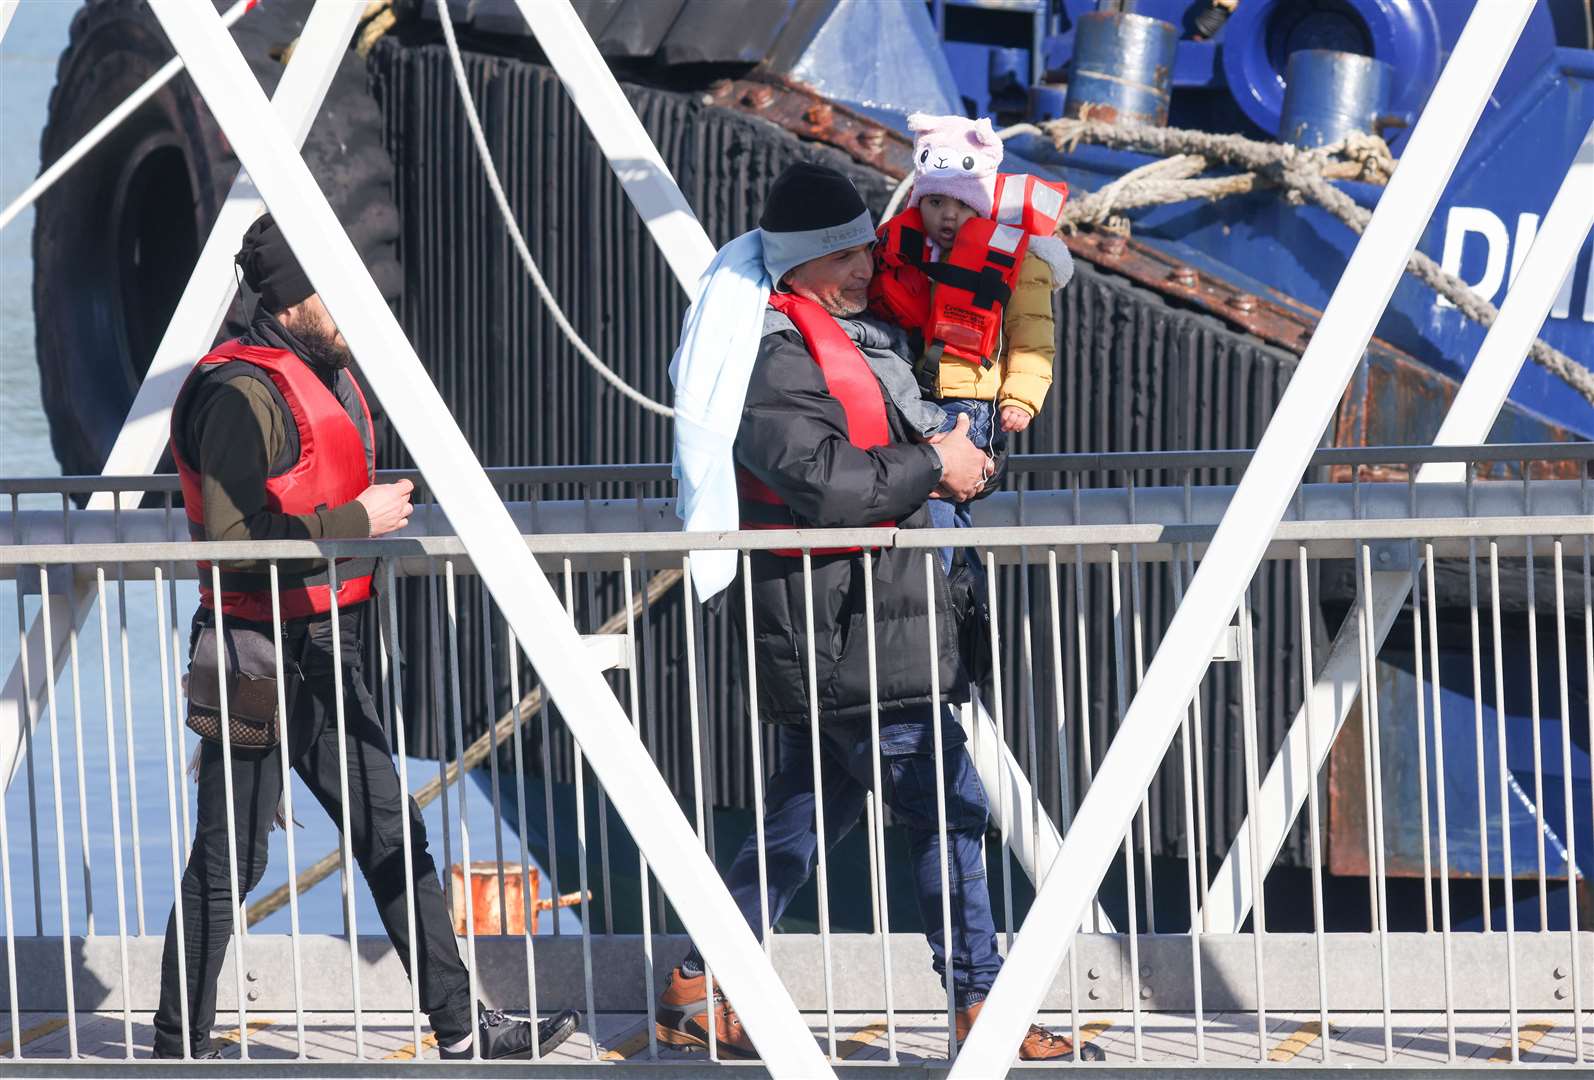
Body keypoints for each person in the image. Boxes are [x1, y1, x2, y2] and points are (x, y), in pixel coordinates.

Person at [663, 163, 1103, 1062]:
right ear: (801, 265)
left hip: (857, 620)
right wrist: (937, 466)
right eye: (845, 252)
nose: (867, 261)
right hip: (850, 625)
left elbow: (885, 447)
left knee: (801, 813)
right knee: (950, 807)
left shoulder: (846, 336)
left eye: (866, 244)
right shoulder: (775, 354)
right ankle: (984, 1005)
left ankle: (696, 980)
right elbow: (824, 483)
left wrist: (957, 443)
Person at [154, 214, 579, 1061]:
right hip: (246, 657)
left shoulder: (323, 369)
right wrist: (359, 518)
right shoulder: (240, 394)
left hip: (327, 648)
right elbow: (236, 546)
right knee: (230, 858)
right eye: (336, 293)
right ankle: (179, 1047)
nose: (358, 309)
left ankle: (463, 1032)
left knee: (392, 832)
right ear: (289, 298)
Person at [870, 113, 1074, 557]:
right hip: (913, 397)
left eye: (960, 205)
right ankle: (960, 596)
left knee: (936, 498)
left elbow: (1032, 336)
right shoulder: (899, 249)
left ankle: (938, 588)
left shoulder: (1017, 261)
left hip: (969, 404)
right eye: (935, 202)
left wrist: (1021, 397)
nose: (947, 215)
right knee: (950, 513)